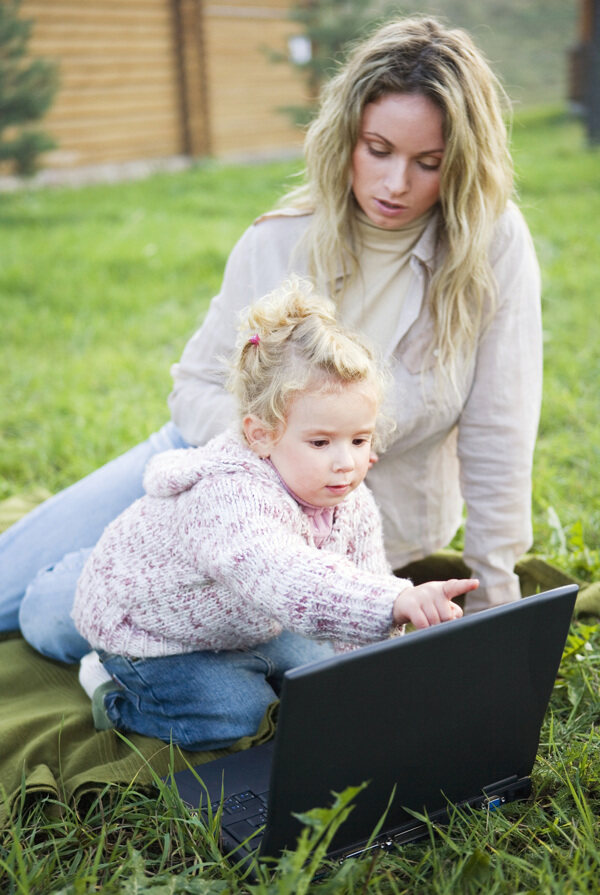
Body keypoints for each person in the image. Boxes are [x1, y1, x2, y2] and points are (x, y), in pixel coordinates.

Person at [1, 15, 541, 664]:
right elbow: (196, 385)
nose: (396, 184)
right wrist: (270, 453)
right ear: (346, 136)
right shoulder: (279, 238)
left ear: (461, 163)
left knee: (53, 615)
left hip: (331, 523)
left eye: (428, 163)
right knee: (10, 579)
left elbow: (500, 430)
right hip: (215, 461)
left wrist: (497, 592)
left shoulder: (494, 243)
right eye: (378, 150)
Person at [72, 280, 477, 750]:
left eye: (359, 440)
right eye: (321, 442)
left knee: (323, 678)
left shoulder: (349, 499)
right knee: (240, 720)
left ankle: (237, 666)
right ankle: (111, 688)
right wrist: (391, 600)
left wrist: (384, 685)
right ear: (261, 435)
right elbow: (287, 576)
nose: (345, 462)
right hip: (150, 634)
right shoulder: (231, 497)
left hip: (245, 621)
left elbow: (362, 590)